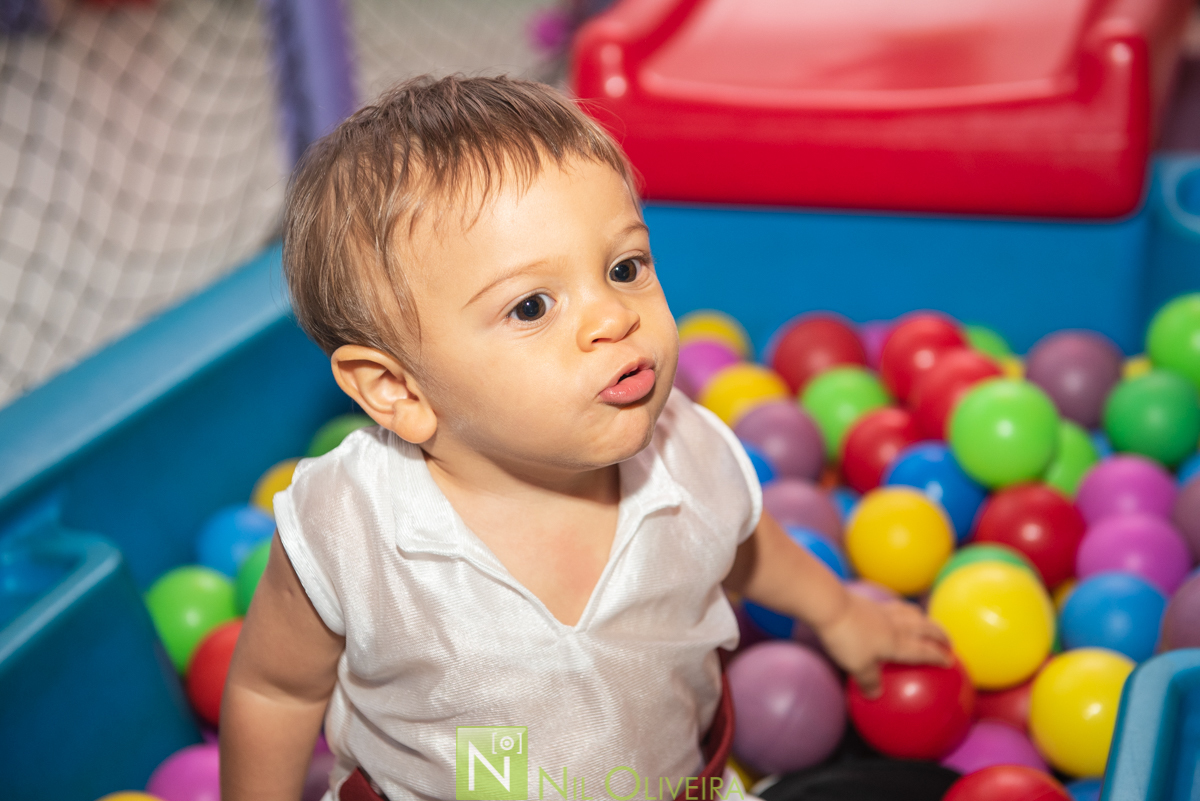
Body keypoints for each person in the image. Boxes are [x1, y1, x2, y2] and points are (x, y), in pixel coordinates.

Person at [219, 74, 951, 801]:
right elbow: (275, 691)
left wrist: (840, 613)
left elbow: (747, 543)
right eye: (532, 305)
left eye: (624, 267)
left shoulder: (683, 453)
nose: (613, 316)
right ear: (398, 390)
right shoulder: (353, 526)